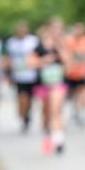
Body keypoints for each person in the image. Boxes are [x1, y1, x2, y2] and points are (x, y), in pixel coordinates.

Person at [30, 19, 70, 155]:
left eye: (59, 30)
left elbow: (68, 64)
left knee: (56, 110)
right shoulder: (39, 45)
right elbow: (30, 62)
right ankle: (48, 136)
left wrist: (59, 48)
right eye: (54, 29)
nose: (56, 32)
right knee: (46, 113)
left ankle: (59, 139)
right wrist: (43, 61)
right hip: (43, 83)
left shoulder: (62, 46)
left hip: (58, 83)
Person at [4, 22, 40, 132]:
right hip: (18, 75)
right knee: (21, 97)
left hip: (32, 74)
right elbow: (8, 58)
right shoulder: (11, 42)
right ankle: (23, 115)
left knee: (29, 98)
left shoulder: (33, 41)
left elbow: (39, 55)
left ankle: (27, 116)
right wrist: (8, 74)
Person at [64, 22, 85, 128]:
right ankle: (75, 111)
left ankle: (82, 113)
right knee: (72, 94)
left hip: (83, 72)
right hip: (72, 72)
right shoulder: (69, 40)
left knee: (83, 93)